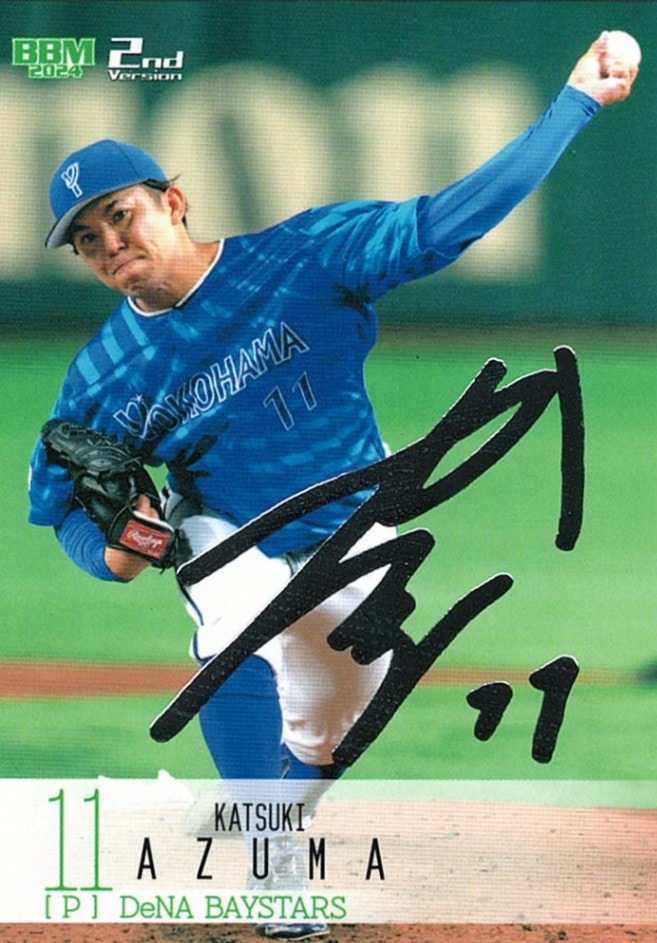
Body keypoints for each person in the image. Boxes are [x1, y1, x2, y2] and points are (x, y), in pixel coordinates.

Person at [28, 34, 637, 941]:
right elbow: (60, 506)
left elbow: (448, 222)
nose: (111, 243)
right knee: (235, 625)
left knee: (336, 720)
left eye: (122, 215)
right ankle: (271, 860)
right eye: (88, 239)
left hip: (354, 518)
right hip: (221, 523)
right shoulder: (102, 374)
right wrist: (108, 551)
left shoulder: (304, 256)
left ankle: (259, 806)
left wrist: (574, 103)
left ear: (173, 201)